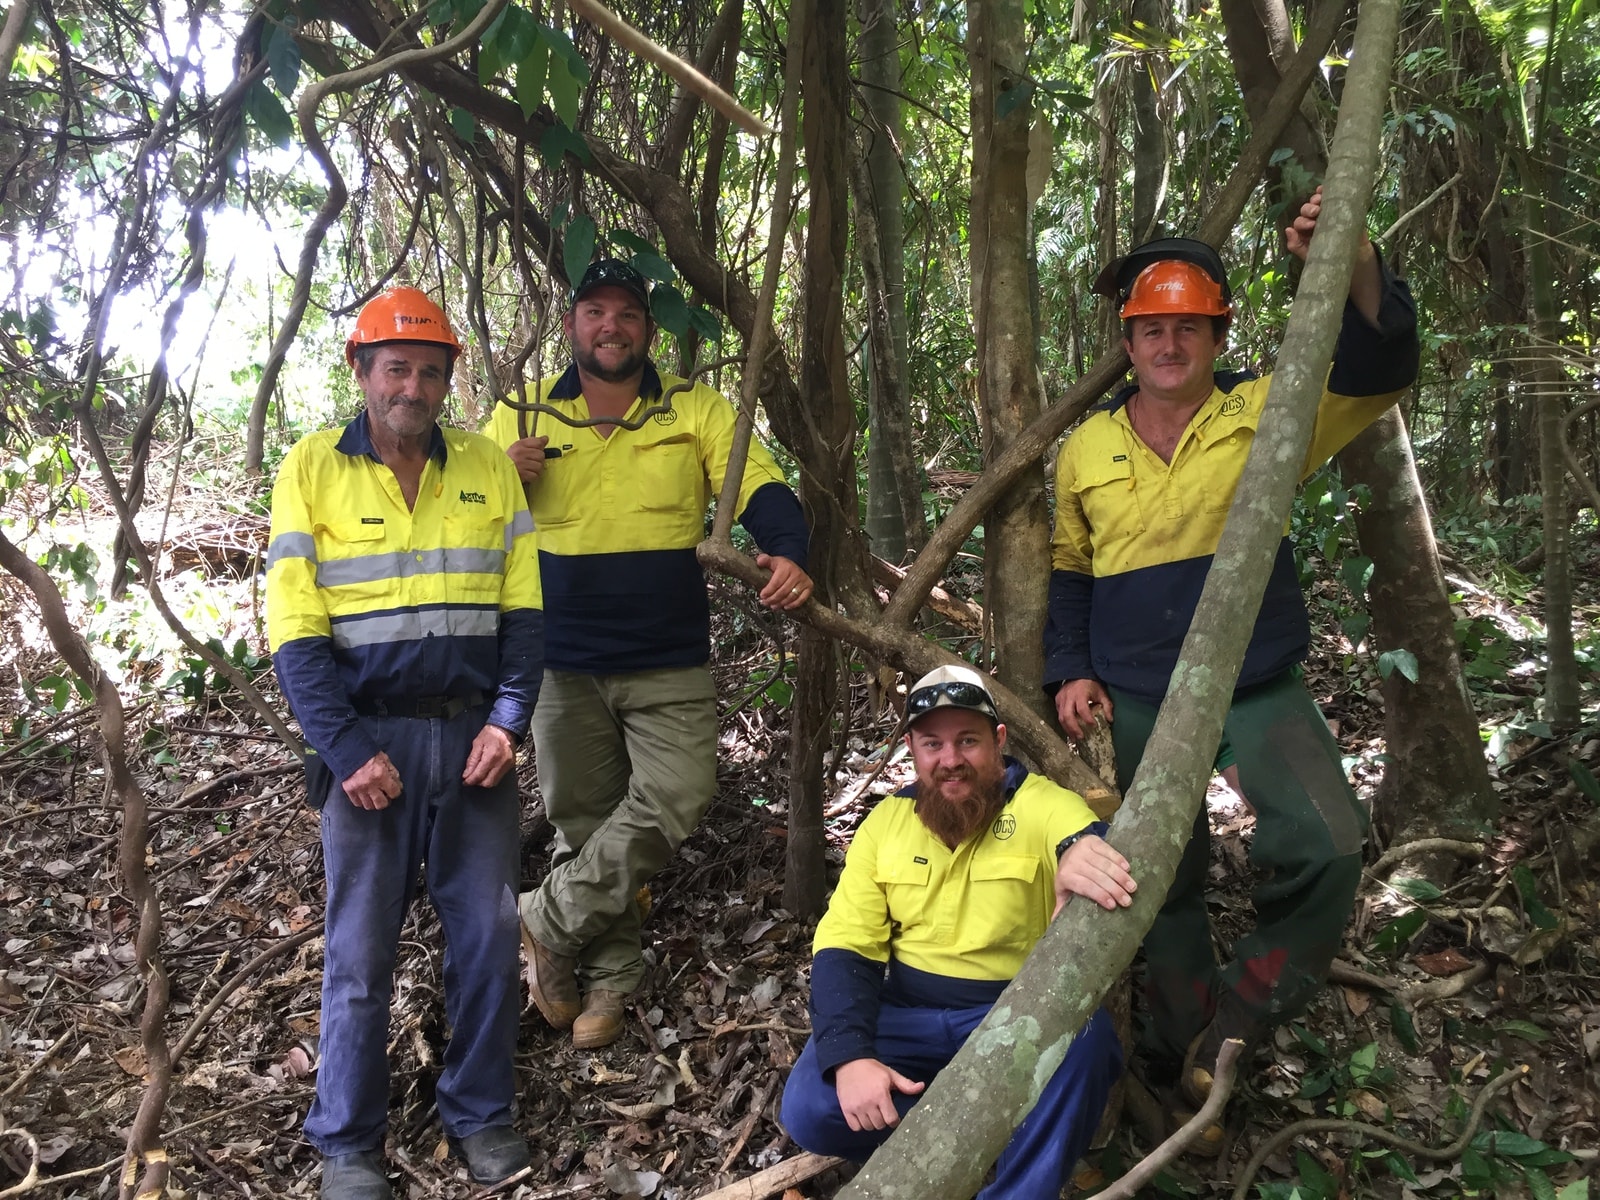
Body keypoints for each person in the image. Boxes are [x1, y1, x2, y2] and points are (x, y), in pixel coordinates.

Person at [1044, 189, 1420, 1110]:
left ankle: (1244, 1014)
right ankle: (1182, 1046)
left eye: (1188, 328)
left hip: (1255, 680)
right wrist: (1069, 669)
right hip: (1134, 690)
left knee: (1330, 843)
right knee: (1154, 884)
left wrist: (1357, 260)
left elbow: (1379, 369)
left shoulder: (1268, 411)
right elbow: (1070, 570)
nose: (1168, 346)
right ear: (1126, 344)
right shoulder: (1085, 448)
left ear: (1216, 333)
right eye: (1150, 330)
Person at [484, 258, 812, 1050]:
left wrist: (788, 549)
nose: (610, 326)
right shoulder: (521, 413)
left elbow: (759, 483)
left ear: (647, 329)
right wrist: (503, 476)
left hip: (666, 656)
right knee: (583, 822)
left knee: (678, 794)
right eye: (594, 312)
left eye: (626, 313)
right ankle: (605, 984)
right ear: (571, 326)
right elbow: (467, 518)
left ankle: (544, 918)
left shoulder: (693, 408)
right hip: (562, 660)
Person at [267, 288, 544, 1199]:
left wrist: (508, 722)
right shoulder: (312, 468)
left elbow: (524, 612)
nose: (413, 386)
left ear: (448, 379)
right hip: (369, 746)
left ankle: (481, 1115)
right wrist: (346, 751)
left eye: (430, 370)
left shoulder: (486, 469)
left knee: (488, 936)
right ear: (360, 371)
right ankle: (347, 1142)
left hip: (473, 742)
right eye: (396, 367)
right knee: (359, 951)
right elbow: (296, 632)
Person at [780, 665, 1135, 1196]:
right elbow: (845, 944)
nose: (950, 760)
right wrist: (852, 1057)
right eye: (932, 744)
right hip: (905, 1012)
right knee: (810, 1105)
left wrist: (1081, 849)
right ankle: (977, 1144)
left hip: (1013, 1013)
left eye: (967, 740)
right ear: (912, 749)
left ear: (997, 740)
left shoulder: (1039, 803)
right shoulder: (885, 824)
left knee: (1087, 1043)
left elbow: (1082, 834)